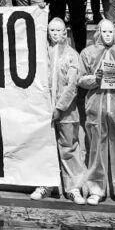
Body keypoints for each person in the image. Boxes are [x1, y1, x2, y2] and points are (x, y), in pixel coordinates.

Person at [77, 19, 115, 208]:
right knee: (96, 150)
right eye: (104, 32)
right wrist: (95, 79)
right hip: (97, 107)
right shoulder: (88, 53)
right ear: (98, 33)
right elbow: (80, 79)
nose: (108, 35)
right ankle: (96, 190)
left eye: (111, 32)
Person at [30, 18, 85, 205]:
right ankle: (45, 184)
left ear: (64, 32)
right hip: (45, 110)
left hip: (67, 112)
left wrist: (60, 107)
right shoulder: (42, 54)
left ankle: (73, 188)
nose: (55, 33)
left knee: (69, 148)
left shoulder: (72, 55)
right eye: (51, 30)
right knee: (45, 149)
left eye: (58, 30)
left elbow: (72, 85)